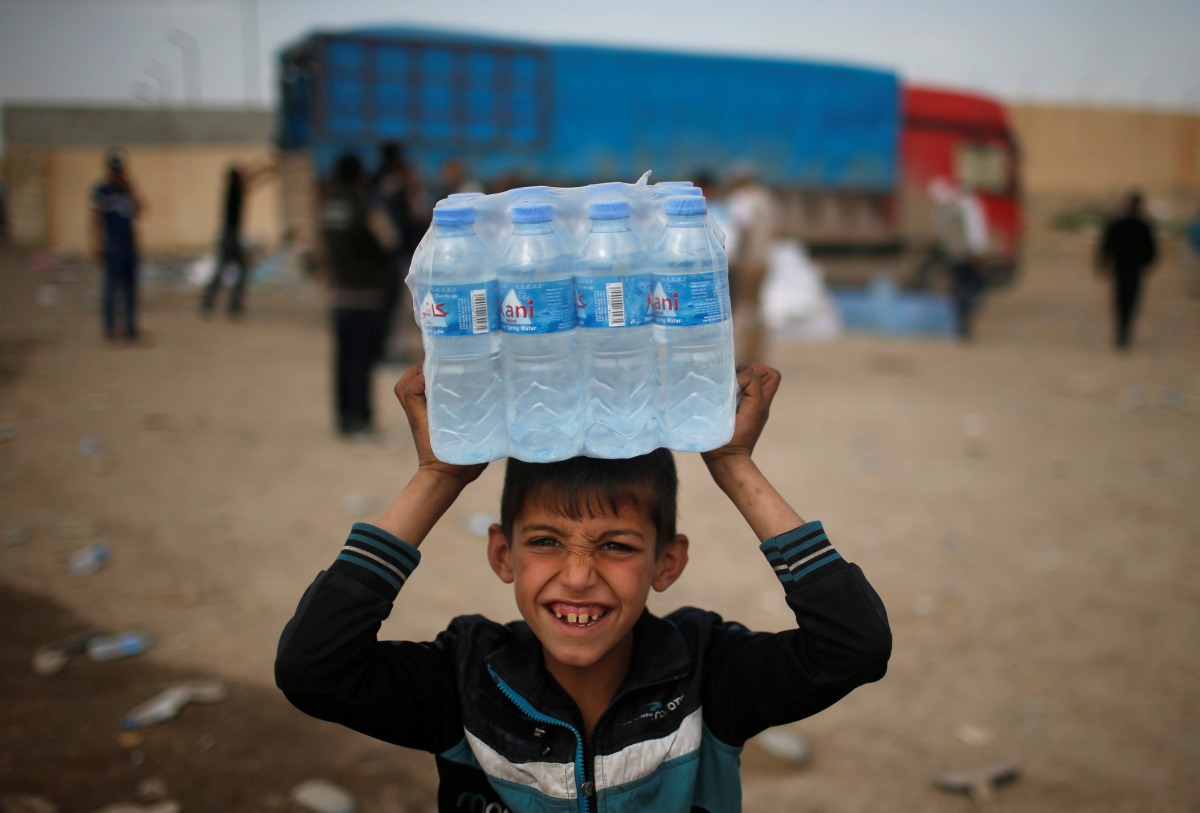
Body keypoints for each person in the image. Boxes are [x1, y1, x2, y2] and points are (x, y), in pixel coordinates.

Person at [276, 362, 892, 811]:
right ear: (502, 552)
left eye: (616, 546)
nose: (577, 576)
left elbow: (855, 646)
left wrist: (734, 464)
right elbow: (312, 668)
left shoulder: (708, 672)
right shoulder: (465, 682)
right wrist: (438, 475)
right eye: (545, 541)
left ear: (666, 563)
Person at [320, 153, 395, 438]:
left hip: (339, 294)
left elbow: (322, 249)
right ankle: (362, 420)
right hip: (366, 297)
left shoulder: (329, 207)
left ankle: (343, 418)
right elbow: (389, 241)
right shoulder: (365, 207)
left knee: (342, 360)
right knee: (363, 362)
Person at [201, 160, 275, 317]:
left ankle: (208, 303)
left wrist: (267, 172)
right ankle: (233, 306)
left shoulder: (231, 190)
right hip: (232, 236)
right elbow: (251, 178)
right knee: (240, 271)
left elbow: (250, 180)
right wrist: (267, 169)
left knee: (222, 270)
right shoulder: (235, 191)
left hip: (226, 235)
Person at [725, 166, 780, 365]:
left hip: (746, 262)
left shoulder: (742, 200)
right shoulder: (766, 199)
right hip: (762, 260)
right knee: (756, 309)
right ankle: (758, 354)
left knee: (741, 309)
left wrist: (735, 256)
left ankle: (742, 355)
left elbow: (742, 229)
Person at [90, 149, 143, 342]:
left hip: (130, 245)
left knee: (130, 289)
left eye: (120, 170)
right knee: (111, 288)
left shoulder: (127, 191)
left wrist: (132, 190)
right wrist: (96, 244)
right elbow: (94, 218)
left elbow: (140, 210)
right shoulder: (100, 191)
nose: (118, 174)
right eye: (115, 170)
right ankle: (110, 328)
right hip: (112, 245)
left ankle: (130, 327)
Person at [1096, 192, 1158, 351]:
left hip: (1126, 269)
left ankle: (1123, 332)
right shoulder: (1138, 226)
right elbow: (1106, 247)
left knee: (1123, 301)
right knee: (1127, 301)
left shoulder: (1128, 225)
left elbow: (1105, 248)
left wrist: (1102, 264)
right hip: (1130, 270)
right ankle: (1124, 332)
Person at [929, 178, 989, 340]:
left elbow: (942, 237)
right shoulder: (964, 207)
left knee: (959, 290)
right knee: (973, 289)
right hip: (966, 255)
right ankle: (965, 323)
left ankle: (960, 324)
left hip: (953, 256)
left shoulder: (940, 212)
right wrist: (978, 254)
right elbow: (974, 232)